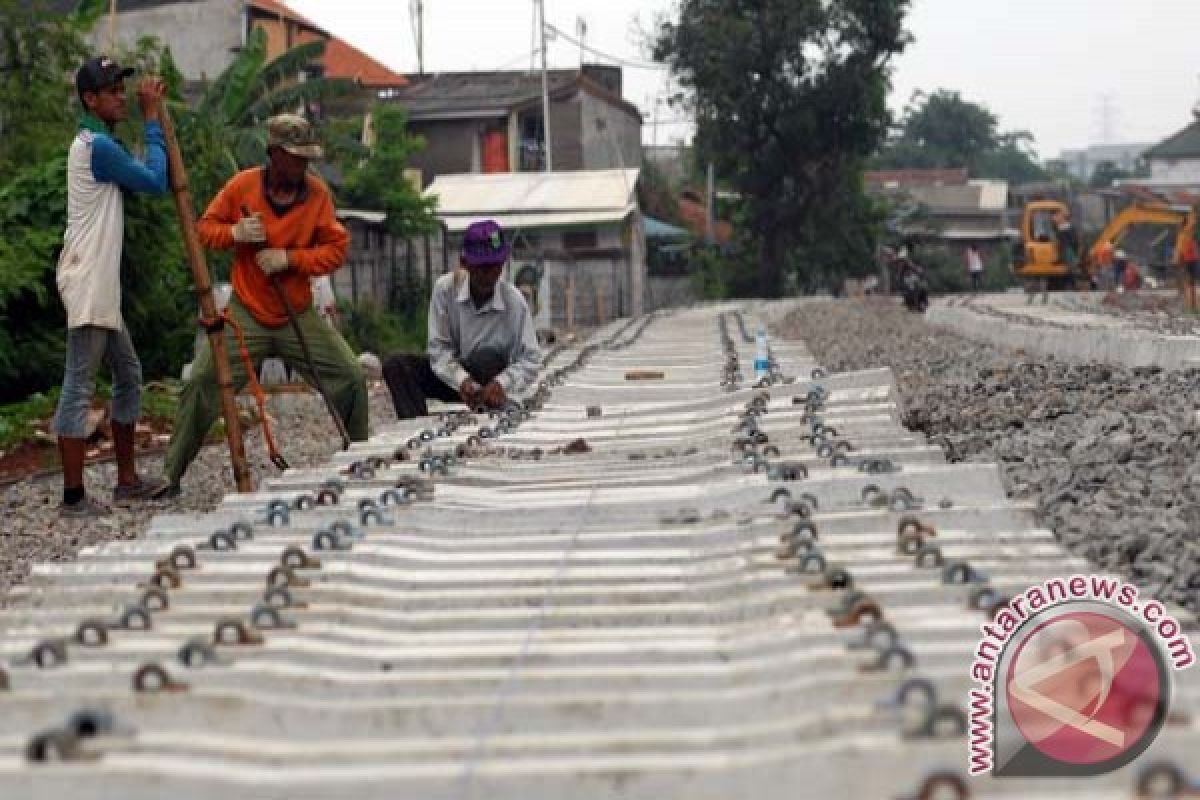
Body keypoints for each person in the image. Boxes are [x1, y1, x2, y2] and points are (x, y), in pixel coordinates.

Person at [155, 114, 367, 496]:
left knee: (350, 376)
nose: (302, 166)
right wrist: (235, 233)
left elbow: (336, 249)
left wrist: (291, 259)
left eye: (306, 158)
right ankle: (171, 476)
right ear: (273, 154)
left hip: (297, 313)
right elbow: (204, 229)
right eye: (294, 158)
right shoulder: (242, 187)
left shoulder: (317, 195)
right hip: (247, 312)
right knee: (202, 381)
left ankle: (362, 460)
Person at [51, 57, 169, 517]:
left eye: (122, 89)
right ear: (90, 100)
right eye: (112, 90)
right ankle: (74, 497)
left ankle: (126, 481)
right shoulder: (97, 146)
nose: (121, 96)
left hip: (97, 280)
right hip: (89, 281)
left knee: (129, 375)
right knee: (79, 385)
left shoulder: (96, 142)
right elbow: (155, 181)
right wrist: (153, 120)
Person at [383, 220, 541, 419]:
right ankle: (416, 427)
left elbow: (531, 359)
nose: (488, 275)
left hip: (493, 379)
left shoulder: (514, 302)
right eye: (481, 268)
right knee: (397, 366)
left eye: (494, 267)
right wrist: (461, 380)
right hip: (455, 378)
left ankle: (493, 402)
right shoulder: (445, 289)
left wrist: (502, 383)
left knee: (486, 356)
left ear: (503, 264)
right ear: (464, 263)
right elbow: (438, 349)